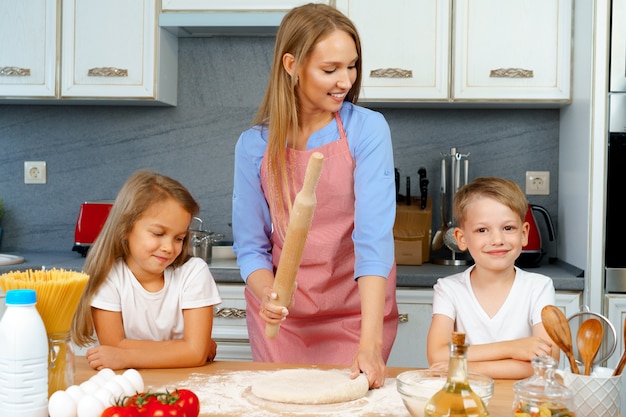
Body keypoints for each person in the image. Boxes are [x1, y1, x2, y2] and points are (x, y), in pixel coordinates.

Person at [232, 3, 398, 388]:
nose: (345, 80)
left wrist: (369, 342)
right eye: (330, 69)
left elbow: (372, 240)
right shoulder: (254, 145)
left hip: (356, 315)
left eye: (351, 66)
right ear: (292, 65)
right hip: (283, 320)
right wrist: (269, 298)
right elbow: (251, 247)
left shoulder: (367, 130)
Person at [71, 170, 221, 370]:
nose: (169, 247)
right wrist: (185, 348)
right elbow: (114, 346)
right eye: (158, 233)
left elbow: (195, 353)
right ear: (125, 228)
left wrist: (126, 356)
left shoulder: (194, 273)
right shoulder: (109, 277)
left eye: (179, 238)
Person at [426, 176, 559, 379]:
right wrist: (513, 348)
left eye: (508, 228)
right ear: (461, 239)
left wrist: (463, 368)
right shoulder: (448, 289)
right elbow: (437, 356)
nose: (497, 240)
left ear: (524, 234)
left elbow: (547, 362)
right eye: (482, 230)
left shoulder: (539, 287)